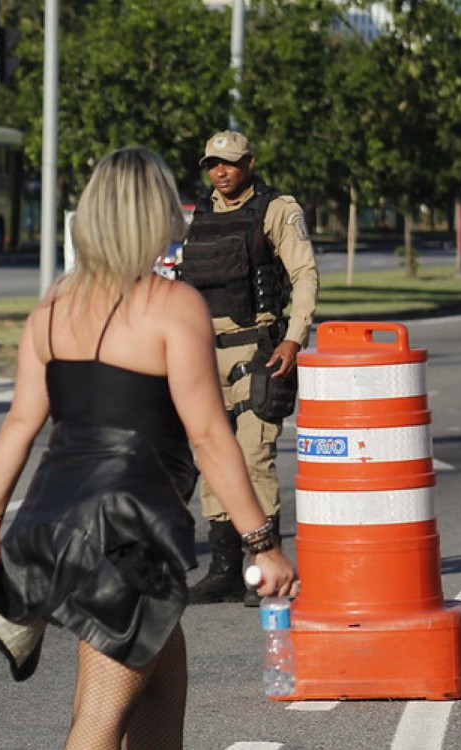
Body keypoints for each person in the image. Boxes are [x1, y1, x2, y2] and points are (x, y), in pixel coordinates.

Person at [0, 146, 298, 750]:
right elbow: (210, 435)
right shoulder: (173, 307)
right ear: (155, 213)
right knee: (99, 724)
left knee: (161, 683)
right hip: (126, 533)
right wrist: (262, 544)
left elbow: (21, 423)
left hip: (55, 524)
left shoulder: (51, 308)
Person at [176, 131, 319, 606]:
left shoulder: (277, 209)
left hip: (257, 349)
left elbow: (304, 274)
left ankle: (264, 563)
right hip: (200, 352)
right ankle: (223, 569)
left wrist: (295, 337)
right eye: (213, 164)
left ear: (250, 163)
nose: (221, 172)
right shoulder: (198, 215)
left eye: (231, 164)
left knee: (254, 456)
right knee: (212, 458)